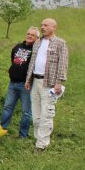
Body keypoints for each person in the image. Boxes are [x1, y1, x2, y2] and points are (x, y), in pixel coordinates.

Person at [25, 18, 68, 152]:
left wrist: (58, 82)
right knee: (36, 115)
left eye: (46, 25)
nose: (42, 27)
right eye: (42, 25)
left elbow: (63, 63)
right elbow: (32, 62)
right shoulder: (37, 42)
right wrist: (28, 79)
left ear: (54, 27)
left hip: (48, 83)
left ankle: (42, 145)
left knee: (46, 114)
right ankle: (39, 139)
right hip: (35, 82)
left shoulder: (60, 43)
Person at [0, 27, 39, 138]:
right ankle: (2, 130)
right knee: (7, 107)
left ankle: (23, 135)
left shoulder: (36, 50)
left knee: (26, 112)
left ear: (37, 38)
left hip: (26, 85)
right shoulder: (18, 47)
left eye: (32, 35)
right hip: (13, 83)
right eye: (28, 33)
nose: (29, 36)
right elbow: (13, 59)